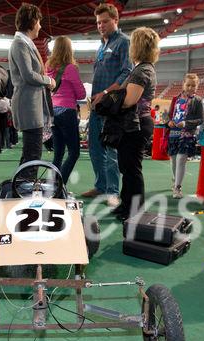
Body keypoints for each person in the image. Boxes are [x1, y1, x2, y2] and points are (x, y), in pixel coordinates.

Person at [82, 3, 132, 208]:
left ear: (115, 20)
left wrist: (104, 94)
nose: (100, 25)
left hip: (111, 105)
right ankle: (101, 186)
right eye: (98, 22)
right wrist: (94, 96)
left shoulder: (124, 42)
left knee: (111, 150)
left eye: (104, 21)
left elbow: (126, 73)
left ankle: (113, 191)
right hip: (97, 105)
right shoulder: (101, 45)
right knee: (94, 148)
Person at [113, 27, 159, 221]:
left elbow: (129, 100)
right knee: (127, 167)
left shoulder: (142, 71)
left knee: (131, 169)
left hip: (137, 125)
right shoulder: (142, 69)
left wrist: (111, 102)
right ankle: (126, 204)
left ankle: (134, 210)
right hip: (135, 124)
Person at [8, 3, 56, 179]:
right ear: (32, 21)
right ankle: (26, 190)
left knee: (31, 154)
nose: (40, 26)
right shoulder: (20, 43)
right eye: (39, 22)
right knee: (33, 154)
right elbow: (28, 75)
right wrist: (48, 80)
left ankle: (23, 188)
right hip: (28, 106)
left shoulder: (24, 43)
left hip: (30, 105)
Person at [46, 36, 86, 184]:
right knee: (74, 152)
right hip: (67, 111)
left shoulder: (48, 67)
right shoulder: (70, 68)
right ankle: (59, 185)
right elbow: (81, 93)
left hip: (53, 112)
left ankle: (52, 186)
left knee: (58, 154)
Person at [166, 73, 204, 199]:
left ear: (197, 86)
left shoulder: (198, 101)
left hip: (187, 134)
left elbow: (201, 119)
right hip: (173, 133)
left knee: (181, 160)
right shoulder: (175, 98)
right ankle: (175, 179)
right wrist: (169, 121)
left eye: (193, 86)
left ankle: (177, 187)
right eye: (188, 85)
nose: (190, 88)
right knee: (173, 161)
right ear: (183, 84)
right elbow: (169, 115)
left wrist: (186, 123)